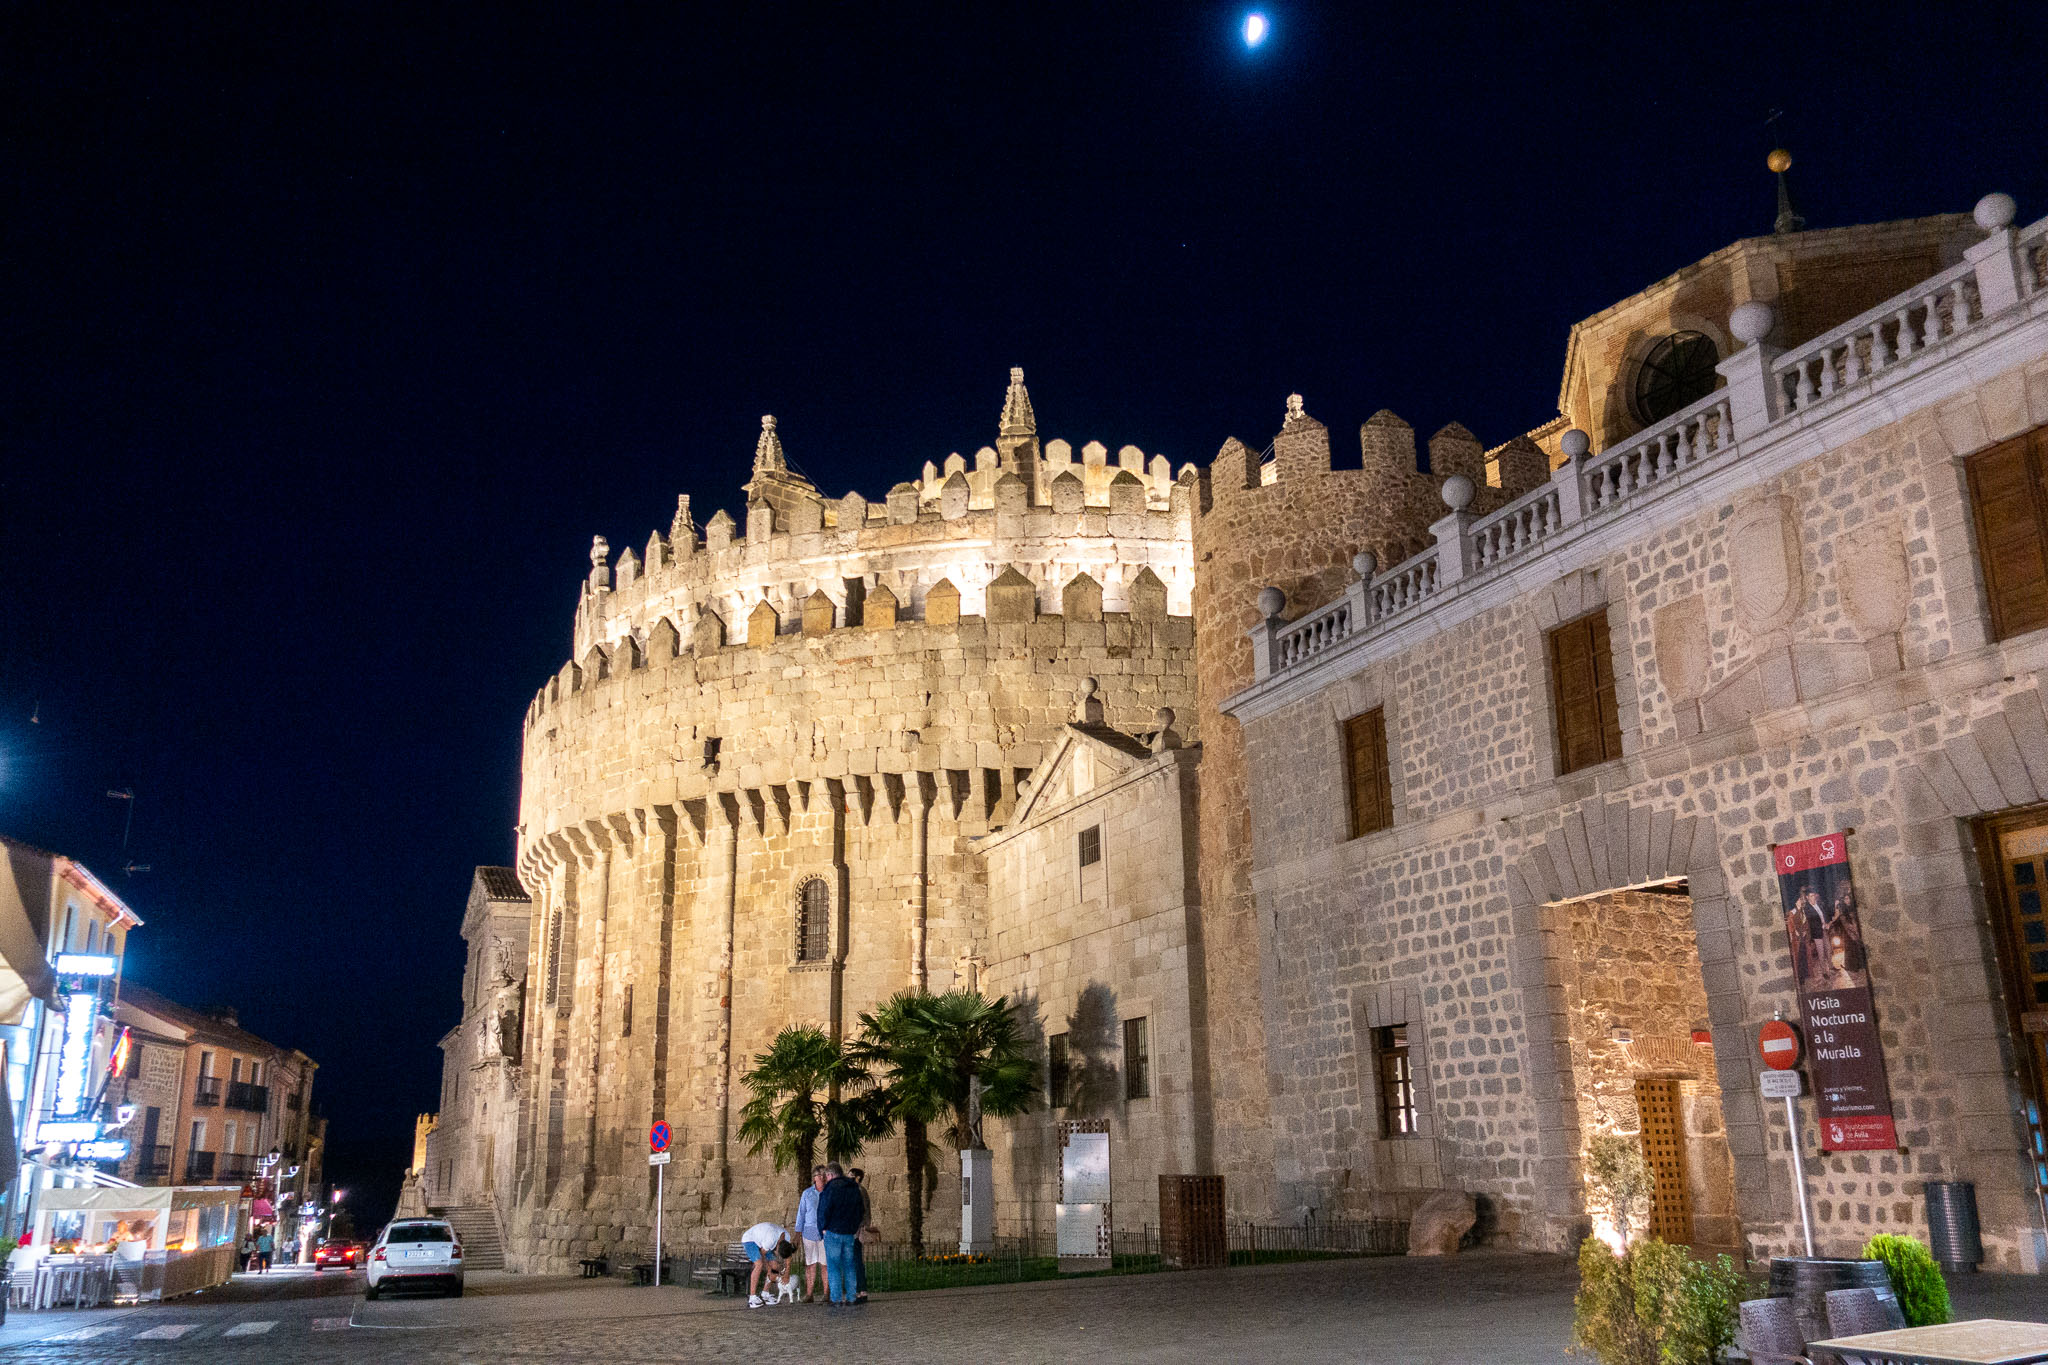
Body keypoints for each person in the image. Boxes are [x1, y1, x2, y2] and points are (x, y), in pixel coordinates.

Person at [816, 1162, 863, 1306]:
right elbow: (860, 1210)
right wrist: (854, 1227)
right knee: (849, 1266)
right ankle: (851, 1297)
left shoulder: (830, 1188)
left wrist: (822, 1228)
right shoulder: (853, 1187)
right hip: (849, 1233)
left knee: (834, 1266)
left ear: (830, 1174)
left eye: (826, 1176)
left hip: (833, 1232)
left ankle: (836, 1299)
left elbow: (823, 1210)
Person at [792, 1166, 827, 1302]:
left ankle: (826, 1293)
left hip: (825, 1233)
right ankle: (809, 1294)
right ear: (814, 1178)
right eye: (819, 1174)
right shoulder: (807, 1194)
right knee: (810, 1264)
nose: (822, 1177)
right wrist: (797, 1234)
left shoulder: (829, 1192)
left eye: (824, 1174)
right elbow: (801, 1214)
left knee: (825, 1264)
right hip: (809, 1233)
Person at [739, 1219, 793, 1307]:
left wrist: (787, 1274)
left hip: (763, 1239)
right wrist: (769, 1270)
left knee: (775, 1265)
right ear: (777, 1247)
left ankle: (765, 1294)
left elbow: (788, 1257)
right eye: (777, 1254)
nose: (776, 1255)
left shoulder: (787, 1237)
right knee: (759, 1264)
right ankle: (752, 1298)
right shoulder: (771, 1240)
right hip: (750, 1240)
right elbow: (762, 1254)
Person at [849, 1167, 876, 1304]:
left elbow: (863, 1212)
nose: (848, 1178)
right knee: (856, 1260)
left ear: (857, 1177)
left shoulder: (859, 1191)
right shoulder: (855, 1190)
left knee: (856, 1261)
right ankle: (860, 1291)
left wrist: (861, 1227)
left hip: (856, 1231)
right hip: (855, 1230)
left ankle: (860, 1291)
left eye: (851, 1175)